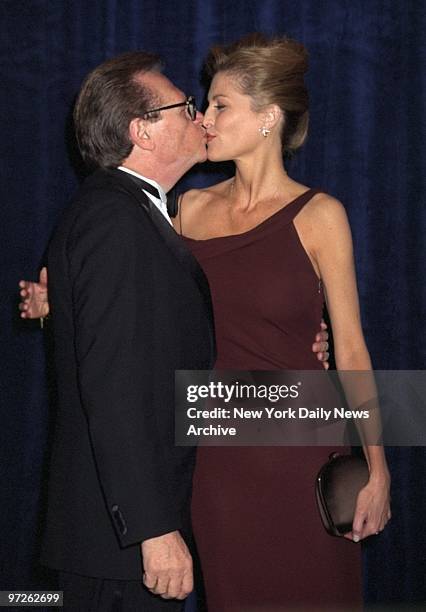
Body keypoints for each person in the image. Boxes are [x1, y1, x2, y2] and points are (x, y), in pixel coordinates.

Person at [19, 48, 330, 611]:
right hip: (125, 537)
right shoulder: (116, 219)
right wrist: (153, 531)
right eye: (188, 105)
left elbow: (156, 339)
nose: (200, 118)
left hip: (236, 464)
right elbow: (115, 389)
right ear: (143, 131)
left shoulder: (138, 215)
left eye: (211, 103)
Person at [174, 34, 391, 611]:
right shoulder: (188, 210)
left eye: (221, 105)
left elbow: (350, 349)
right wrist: (58, 303)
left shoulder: (321, 215)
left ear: (269, 117)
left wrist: (377, 468)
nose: (205, 115)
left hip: (306, 456)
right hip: (218, 459)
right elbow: (137, 307)